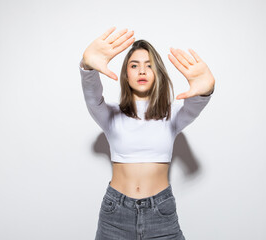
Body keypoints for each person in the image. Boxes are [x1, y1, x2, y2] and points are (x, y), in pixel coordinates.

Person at [79, 27, 215, 240]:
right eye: (134, 65)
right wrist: (88, 68)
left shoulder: (171, 115)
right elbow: (92, 97)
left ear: (157, 73)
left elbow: (193, 107)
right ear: (126, 73)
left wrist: (205, 90)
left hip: (161, 213)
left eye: (149, 66)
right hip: (116, 214)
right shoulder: (110, 115)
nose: (142, 71)